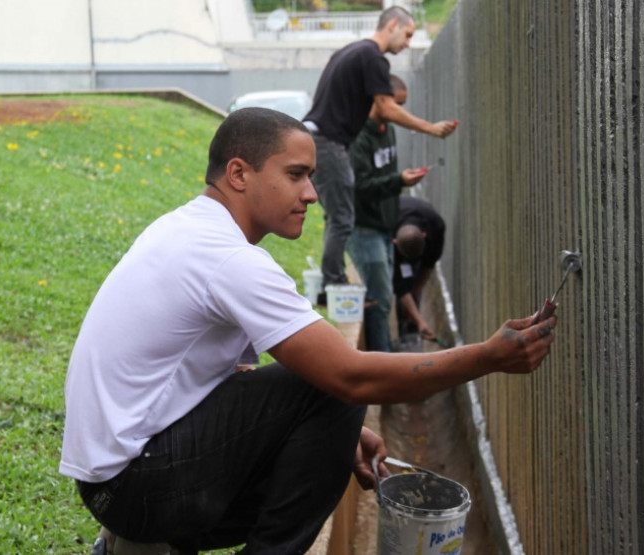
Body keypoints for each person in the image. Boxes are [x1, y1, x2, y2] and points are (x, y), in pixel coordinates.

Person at [61, 108, 556, 555]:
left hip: (113, 483)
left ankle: (140, 547)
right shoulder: (228, 259)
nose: (312, 194)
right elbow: (350, 377)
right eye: (295, 175)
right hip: (136, 486)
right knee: (332, 388)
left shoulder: (187, 228)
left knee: (323, 402)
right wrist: (488, 357)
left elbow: (224, 381)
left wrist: (340, 436)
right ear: (239, 174)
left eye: (311, 177)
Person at [302, 6, 457, 291]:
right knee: (343, 218)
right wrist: (431, 128)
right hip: (328, 142)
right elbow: (386, 107)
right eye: (407, 34)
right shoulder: (373, 57)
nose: (408, 43)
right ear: (392, 24)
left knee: (338, 215)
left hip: (319, 139)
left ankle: (332, 279)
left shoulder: (351, 51)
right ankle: (333, 282)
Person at [346, 75, 426, 352]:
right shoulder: (357, 136)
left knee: (384, 299)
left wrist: (398, 181)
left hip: (384, 226)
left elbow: (384, 178)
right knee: (378, 302)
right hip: (364, 228)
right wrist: (399, 180)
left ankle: (384, 356)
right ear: (379, 99)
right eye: (396, 104)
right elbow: (360, 186)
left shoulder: (387, 130)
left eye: (402, 105)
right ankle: (384, 364)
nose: (399, 112)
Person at [393, 195, 446, 341]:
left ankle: (412, 328)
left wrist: (415, 293)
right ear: (394, 241)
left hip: (422, 224)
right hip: (396, 223)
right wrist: (420, 320)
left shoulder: (436, 226)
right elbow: (399, 286)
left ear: (424, 235)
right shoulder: (387, 227)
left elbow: (428, 265)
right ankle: (404, 330)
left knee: (413, 287)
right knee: (403, 285)